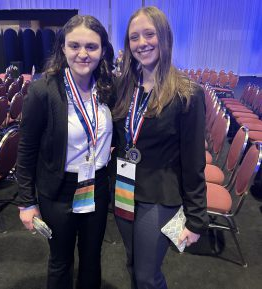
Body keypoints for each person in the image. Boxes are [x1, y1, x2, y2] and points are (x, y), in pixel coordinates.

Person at [112, 6, 208, 289]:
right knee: (132, 265)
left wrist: (196, 217)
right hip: (123, 188)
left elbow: (193, 161)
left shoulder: (187, 93)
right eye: (134, 37)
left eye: (149, 34)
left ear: (164, 37)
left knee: (147, 275)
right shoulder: (124, 87)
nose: (142, 43)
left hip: (158, 195)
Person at [16, 15, 114, 289]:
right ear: (63, 48)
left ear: (103, 50)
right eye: (74, 46)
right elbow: (26, 150)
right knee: (60, 260)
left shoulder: (108, 89)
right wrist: (26, 202)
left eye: (91, 47)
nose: (83, 54)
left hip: (96, 187)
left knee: (92, 258)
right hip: (57, 190)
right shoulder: (42, 91)